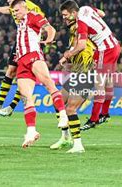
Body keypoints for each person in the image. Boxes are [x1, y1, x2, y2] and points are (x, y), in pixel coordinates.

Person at [10, 0, 68, 148]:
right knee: (25, 97)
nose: (14, 13)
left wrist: (49, 40)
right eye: (13, 11)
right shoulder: (21, 22)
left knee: (49, 84)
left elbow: (50, 29)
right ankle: (31, 131)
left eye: (16, 10)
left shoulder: (33, 16)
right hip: (21, 61)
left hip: (33, 55)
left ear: (24, 7)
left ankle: (63, 115)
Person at [0, 0, 44, 117]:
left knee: (23, 77)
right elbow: (7, 9)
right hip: (20, 43)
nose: (8, 0)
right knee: (10, 71)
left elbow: (43, 23)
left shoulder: (31, 8)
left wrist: (45, 37)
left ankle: (11, 106)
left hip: (32, 45)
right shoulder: (15, 7)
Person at [59, 0, 120, 131]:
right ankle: (104, 113)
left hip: (105, 49)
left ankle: (94, 119)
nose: (64, 18)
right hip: (114, 44)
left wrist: (67, 55)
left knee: (99, 84)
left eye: (66, 15)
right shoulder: (86, 8)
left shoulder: (81, 22)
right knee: (108, 81)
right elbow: (102, 13)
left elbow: (81, 46)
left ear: (74, 12)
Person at [51, 20, 96, 153]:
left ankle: (78, 145)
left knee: (70, 109)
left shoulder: (86, 39)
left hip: (86, 73)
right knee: (58, 101)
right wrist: (67, 59)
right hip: (76, 73)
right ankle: (66, 138)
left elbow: (86, 52)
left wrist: (69, 54)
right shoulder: (73, 38)